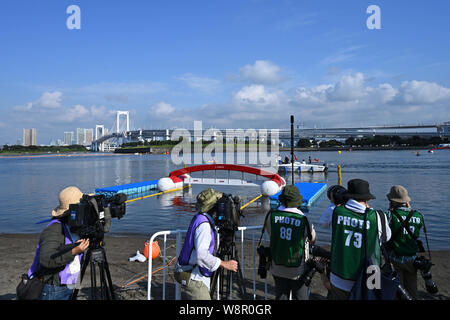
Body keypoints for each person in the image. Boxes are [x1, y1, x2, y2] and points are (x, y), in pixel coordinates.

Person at [329, 179, 391, 300]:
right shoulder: (377, 216)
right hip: (370, 276)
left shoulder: (337, 211)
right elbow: (386, 237)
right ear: (367, 198)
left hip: (339, 274)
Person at [27, 186, 90, 300]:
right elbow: (47, 259)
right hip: (54, 288)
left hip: (70, 283)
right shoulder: (54, 229)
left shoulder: (74, 226)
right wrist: (75, 251)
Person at [175, 188, 238, 300]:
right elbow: (201, 255)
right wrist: (224, 264)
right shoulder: (204, 225)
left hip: (191, 272)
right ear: (214, 206)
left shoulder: (199, 218)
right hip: (195, 277)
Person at [265, 185, 316, 300]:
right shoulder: (303, 219)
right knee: (301, 296)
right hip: (298, 268)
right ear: (297, 201)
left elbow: (271, 233)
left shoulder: (271, 216)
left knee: (281, 296)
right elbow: (312, 238)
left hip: (277, 265)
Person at [385, 185, 424, 299]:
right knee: (412, 286)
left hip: (394, 256)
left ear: (392, 201)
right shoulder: (418, 215)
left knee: (398, 288)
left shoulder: (389, 215)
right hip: (412, 257)